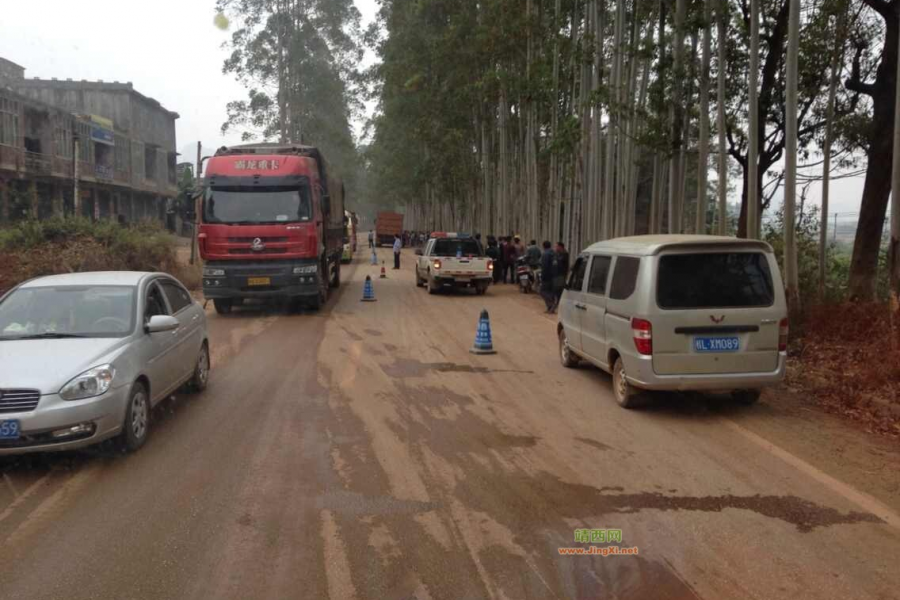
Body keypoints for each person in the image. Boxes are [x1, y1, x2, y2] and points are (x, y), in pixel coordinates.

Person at [540, 241, 557, 313]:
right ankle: (550, 308)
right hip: (555, 276)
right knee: (550, 291)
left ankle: (551, 304)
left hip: (547, 276)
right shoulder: (554, 253)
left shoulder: (545, 254)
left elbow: (544, 266)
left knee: (542, 291)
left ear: (543, 246)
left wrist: (543, 276)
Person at [553, 241, 570, 310]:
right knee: (557, 290)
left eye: (556, 246)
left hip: (561, 275)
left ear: (560, 247)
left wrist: (556, 258)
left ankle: (560, 304)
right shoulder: (559, 254)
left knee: (559, 290)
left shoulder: (564, 254)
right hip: (557, 274)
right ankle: (558, 303)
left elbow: (559, 261)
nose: (555, 248)